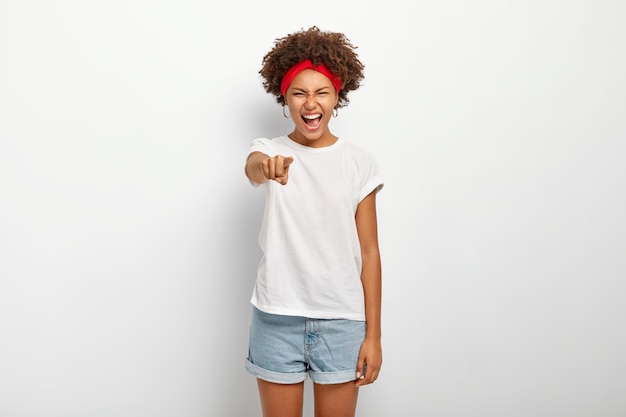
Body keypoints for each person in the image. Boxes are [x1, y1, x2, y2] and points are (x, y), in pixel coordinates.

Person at [244, 26, 383, 417]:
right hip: (276, 317)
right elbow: (253, 169)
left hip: (342, 320)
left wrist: (374, 336)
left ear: (337, 96)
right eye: (299, 93)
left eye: (321, 92)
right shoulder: (268, 150)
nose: (310, 103)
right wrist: (267, 169)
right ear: (284, 97)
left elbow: (370, 252)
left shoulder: (359, 162)